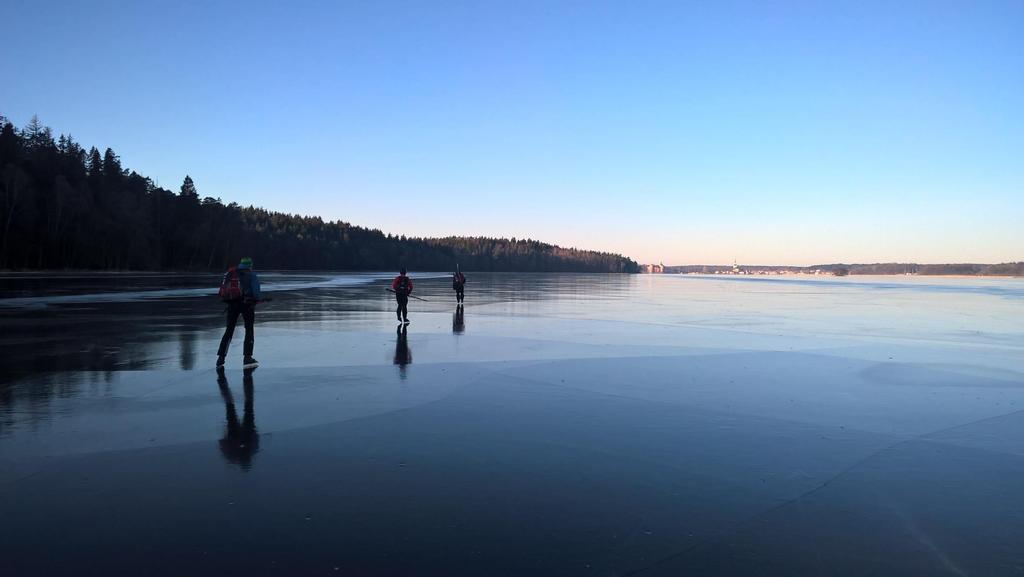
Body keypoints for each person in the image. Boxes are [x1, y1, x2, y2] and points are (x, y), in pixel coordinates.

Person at [217, 257, 261, 368]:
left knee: (229, 330)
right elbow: (256, 293)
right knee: (249, 330)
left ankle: (221, 358)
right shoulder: (252, 275)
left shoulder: (231, 273)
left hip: (232, 304)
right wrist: (256, 300)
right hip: (247, 305)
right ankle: (247, 357)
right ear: (250, 265)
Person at [216, 367, 260, 469]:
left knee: (242, 409)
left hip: (235, 435)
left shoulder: (234, 454)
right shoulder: (237, 454)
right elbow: (222, 443)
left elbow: (223, 443)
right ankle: (225, 384)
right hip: (240, 434)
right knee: (237, 409)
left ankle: (224, 383)